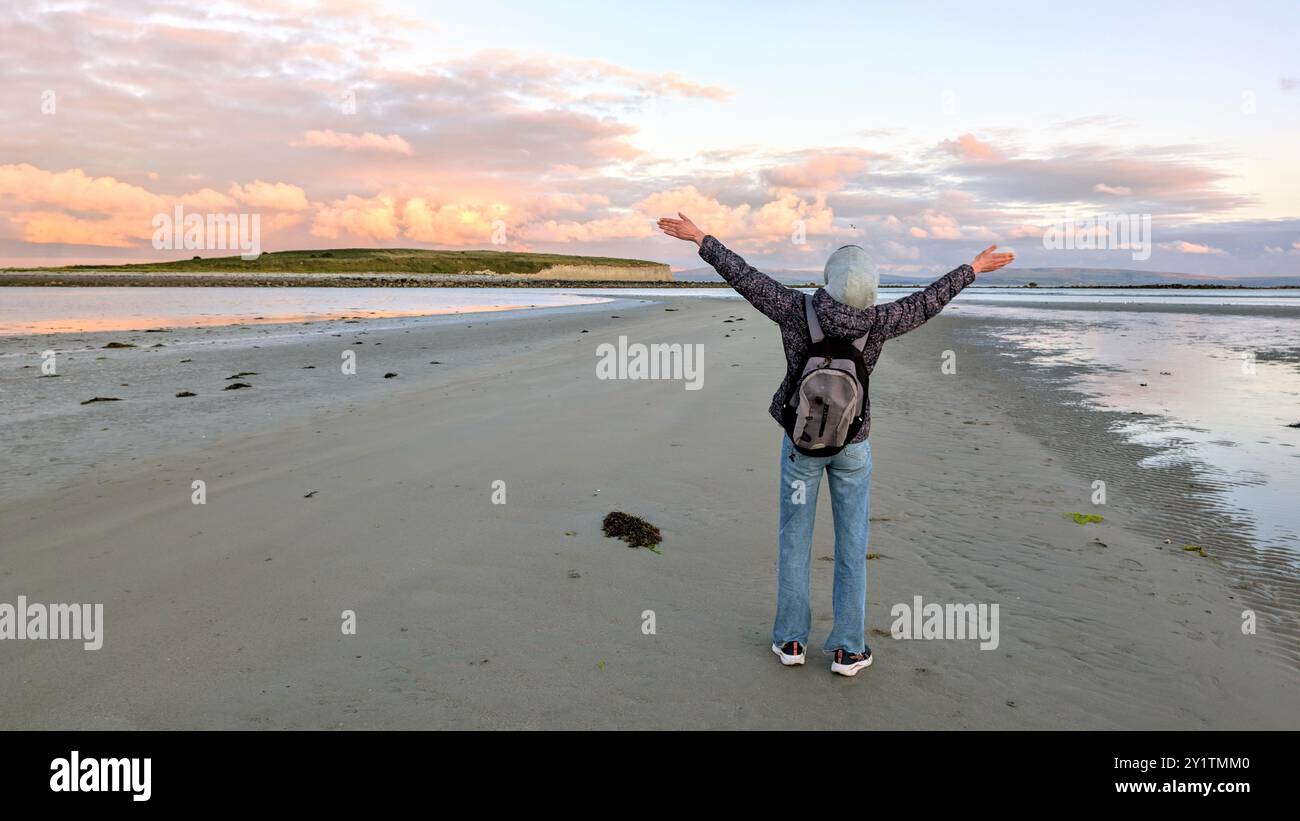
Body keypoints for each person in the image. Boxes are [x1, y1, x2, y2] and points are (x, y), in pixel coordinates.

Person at [657, 213, 1014, 676]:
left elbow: (745, 277)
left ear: (828, 279)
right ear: (872, 286)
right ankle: (848, 649)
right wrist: (972, 268)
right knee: (852, 546)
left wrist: (701, 239)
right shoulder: (883, 320)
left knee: (793, 541)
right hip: (853, 444)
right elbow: (928, 301)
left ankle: (790, 642)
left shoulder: (794, 309)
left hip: (799, 444)